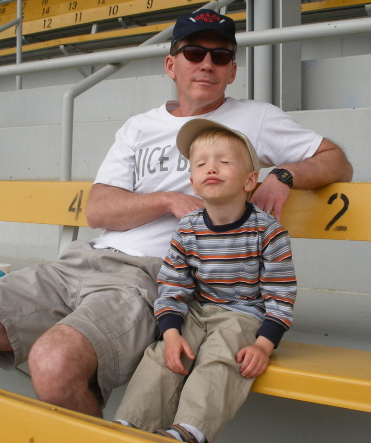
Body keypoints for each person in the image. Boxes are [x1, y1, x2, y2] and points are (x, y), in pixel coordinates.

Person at [0, 9, 352, 419]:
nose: (207, 63)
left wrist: (283, 174)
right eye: (194, 53)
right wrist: (168, 200)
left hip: (152, 276)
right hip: (82, 261)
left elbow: (337, 161)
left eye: (220, 56)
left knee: (54, 362)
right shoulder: (138, 126)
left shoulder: (254, 118)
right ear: (171, 64)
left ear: (232, 71)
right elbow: (99, 209)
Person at [114, 119, 297, 443]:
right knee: (163, 355)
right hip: (197, 311)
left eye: (224, 162)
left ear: (250, 180)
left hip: (244, 314)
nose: (211, 167)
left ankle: (189, 430)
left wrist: (263, 344)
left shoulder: (267, 231)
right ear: (193, 182)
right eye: (201, 164)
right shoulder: (188, 228)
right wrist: (170, 333)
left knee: (222, 354)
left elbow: (280, 295)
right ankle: (130, 425)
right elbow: (172, 285)